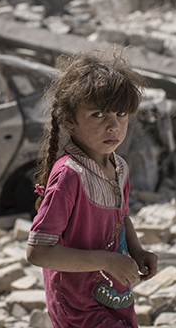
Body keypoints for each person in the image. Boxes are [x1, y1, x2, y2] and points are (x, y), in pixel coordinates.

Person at [26, 48, 158, 327]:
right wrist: (107, 261)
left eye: (121, 113)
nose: (113, 125)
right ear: (71, 119)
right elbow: (38, 251)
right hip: (76, 303)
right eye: (98, 114)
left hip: (113, 293)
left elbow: (121, 218)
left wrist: (136, 251)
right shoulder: (68, 176)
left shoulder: (119, 167)